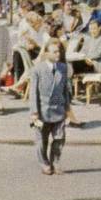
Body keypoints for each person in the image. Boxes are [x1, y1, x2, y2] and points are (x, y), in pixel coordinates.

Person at [27, 39, 72, 175]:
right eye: (54, 51)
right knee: (42, 141)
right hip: (42, 111)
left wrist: (68, 109)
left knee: (60, 138)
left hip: (58, 109)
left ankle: (55, 162)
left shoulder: (63, 68)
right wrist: (34, 112)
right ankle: (44, 163)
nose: (58, 54)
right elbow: (33, 92)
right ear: (46, 53)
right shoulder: (37, 70)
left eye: (59, 51)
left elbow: (65, 90)